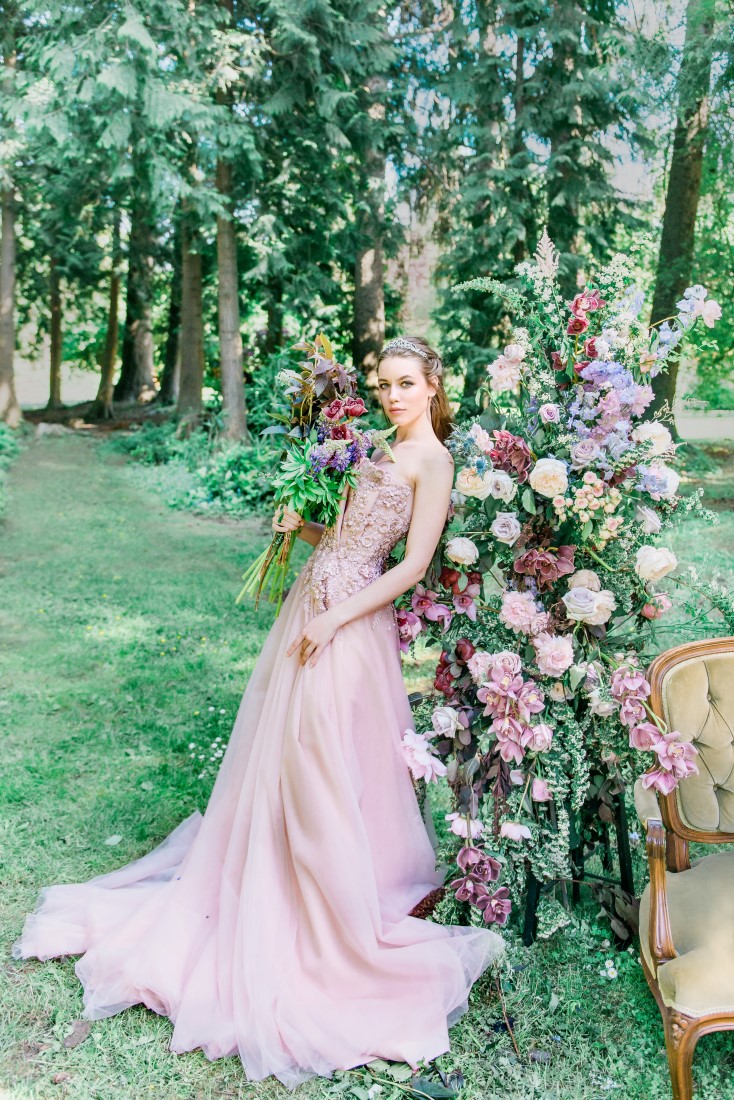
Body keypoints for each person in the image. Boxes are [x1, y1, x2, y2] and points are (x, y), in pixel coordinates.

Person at [13, 336, 504, 1090]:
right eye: (382, 384)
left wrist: (335, 620)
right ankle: (277, 872)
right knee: (287, 750)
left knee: (326, 755)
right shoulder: (370, 443)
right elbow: (342, 532)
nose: (392, 396)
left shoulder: (431, 462)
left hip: (346, 621)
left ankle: (330, 894)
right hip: (312, 597)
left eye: (406, 384)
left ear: (435, 383)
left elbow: (408, 565)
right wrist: (300, 527)